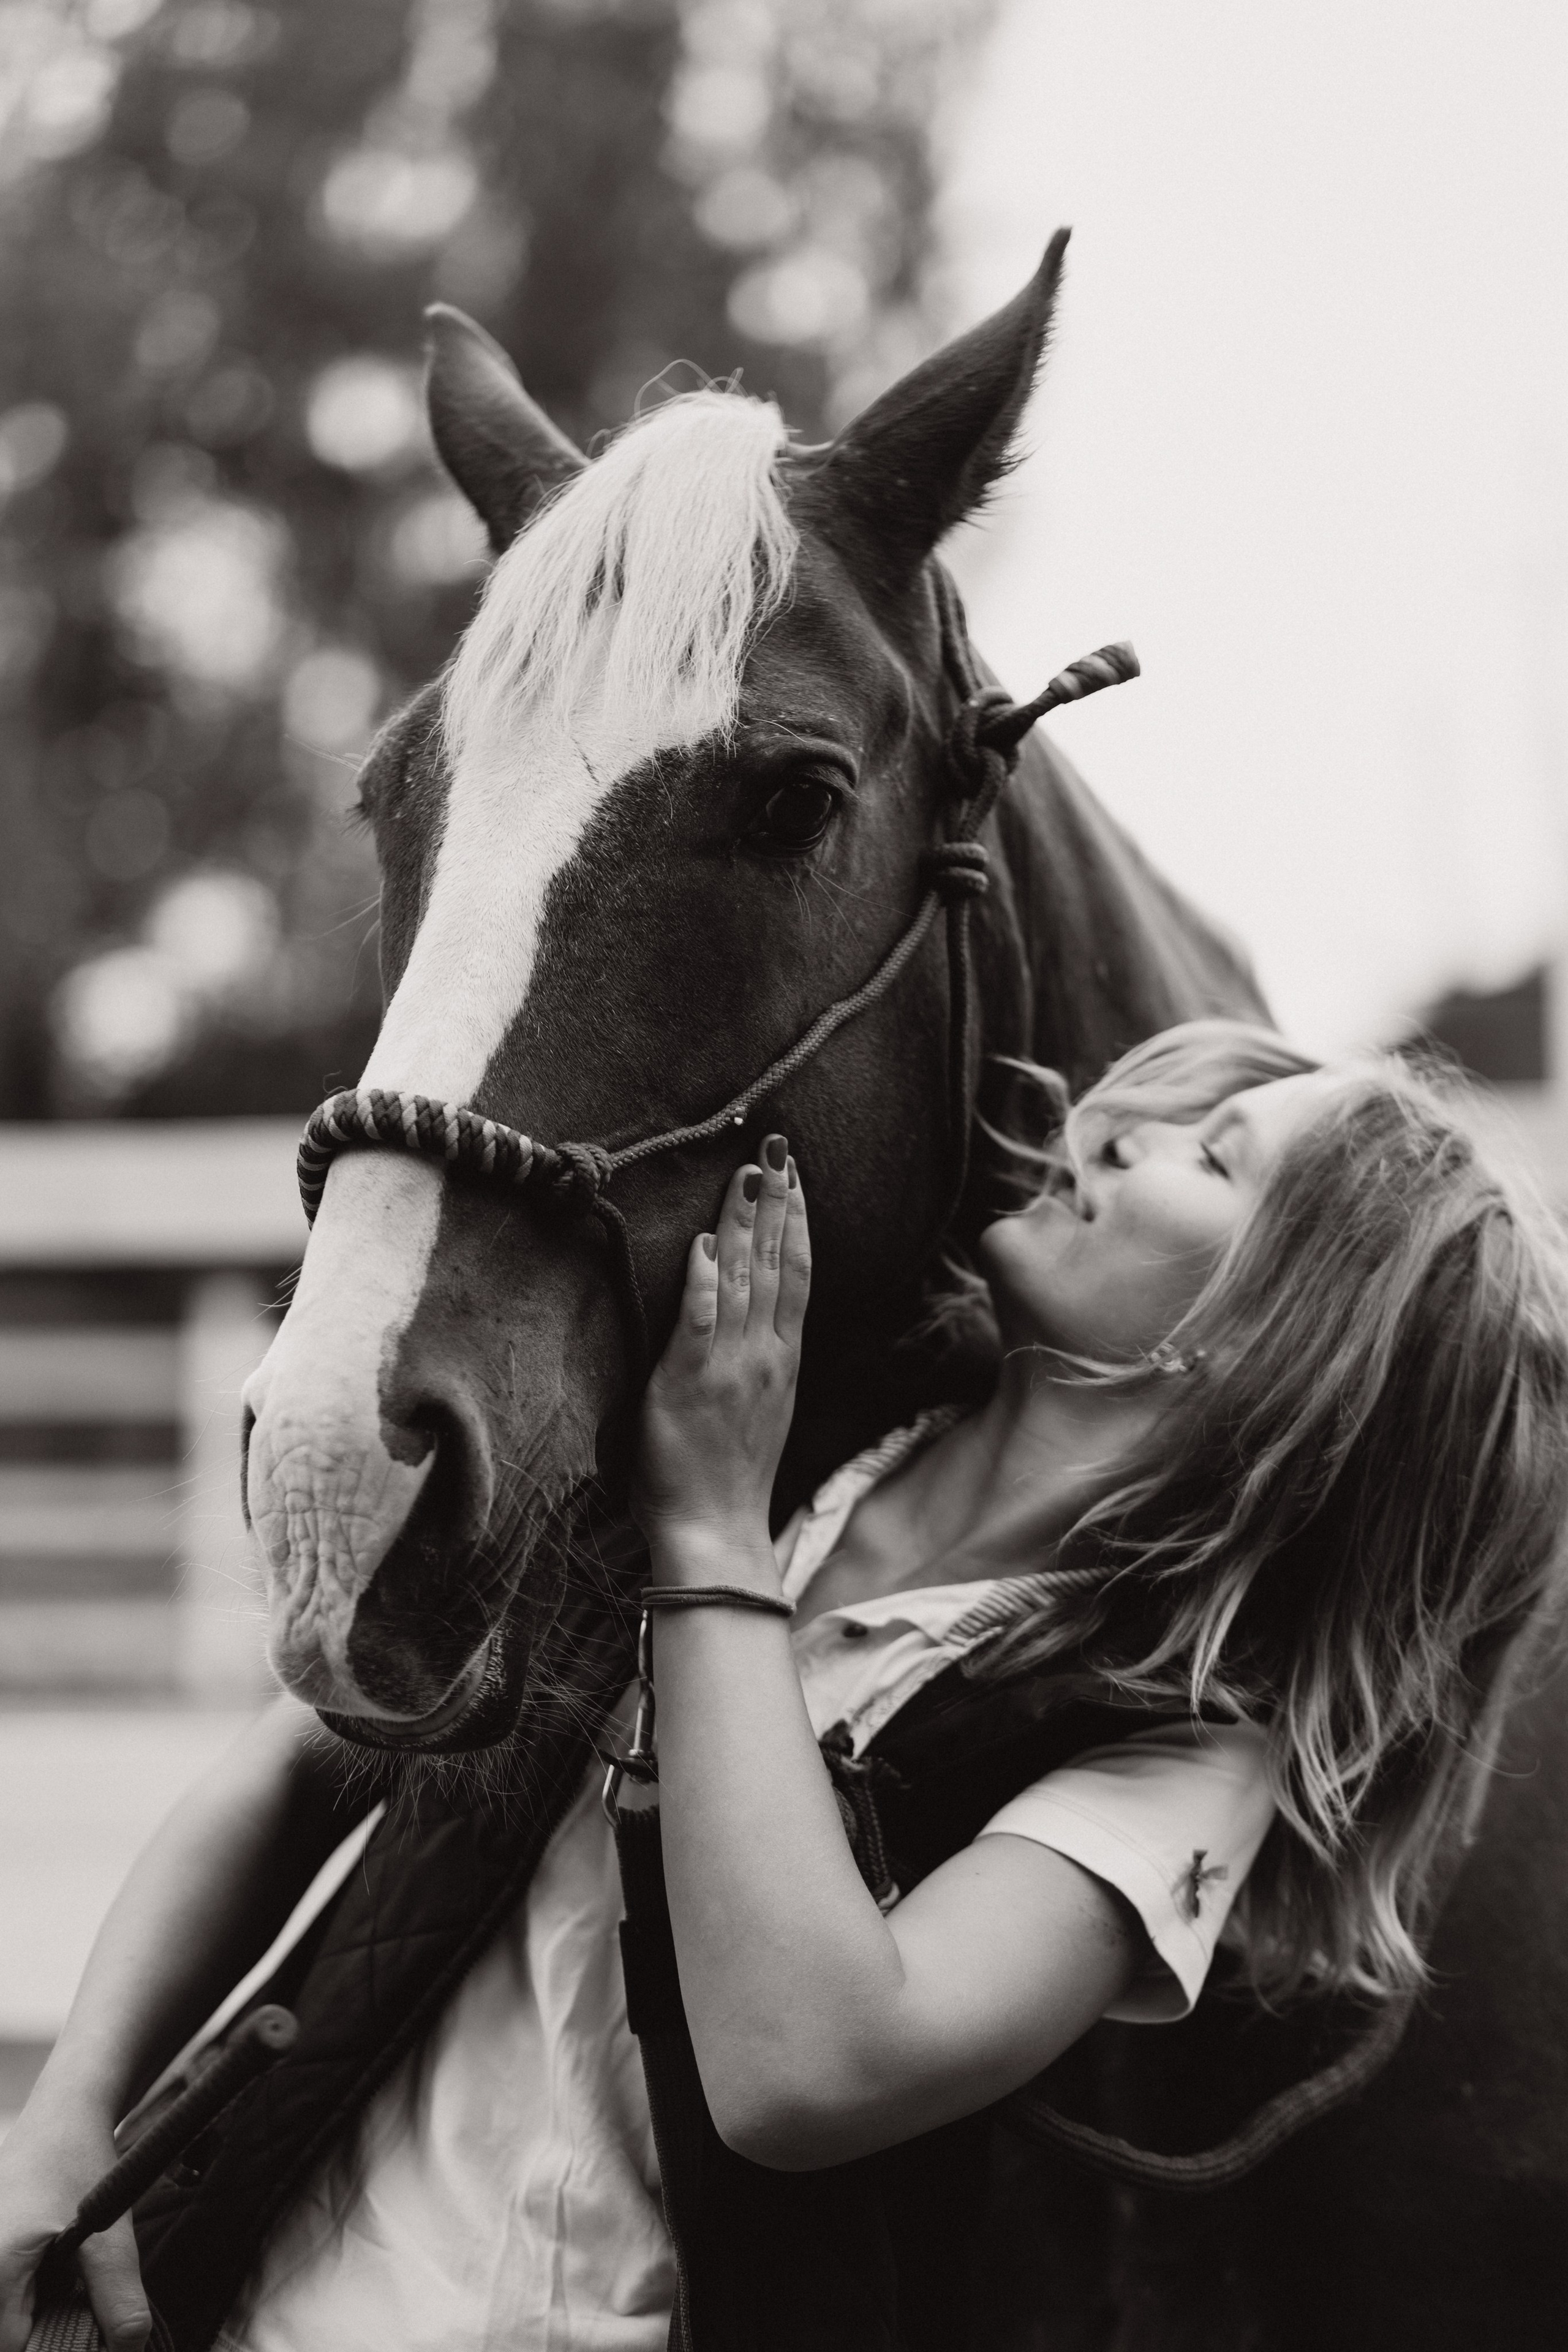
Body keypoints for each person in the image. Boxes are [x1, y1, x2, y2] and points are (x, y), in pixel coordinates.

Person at [3, 1020, 1566, 2351]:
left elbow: (806, 2070)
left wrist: (707, 1535)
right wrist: (71, 2110)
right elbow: (297, 1768)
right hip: (248, 2285)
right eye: (1151, 1104)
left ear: (1283, 1356)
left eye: (1206, 1157)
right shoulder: (764, 1402)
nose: (1105, 1124)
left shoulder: (1167, 1757)